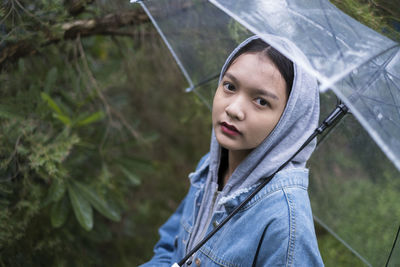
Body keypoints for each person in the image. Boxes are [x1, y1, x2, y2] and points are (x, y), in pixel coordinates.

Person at [140, 35, 324, 266]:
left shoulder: (284, 219)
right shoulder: (209, 168)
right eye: (230, 87)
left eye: (261, 101)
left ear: (289, 120)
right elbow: (169, 246)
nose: (234, 109)